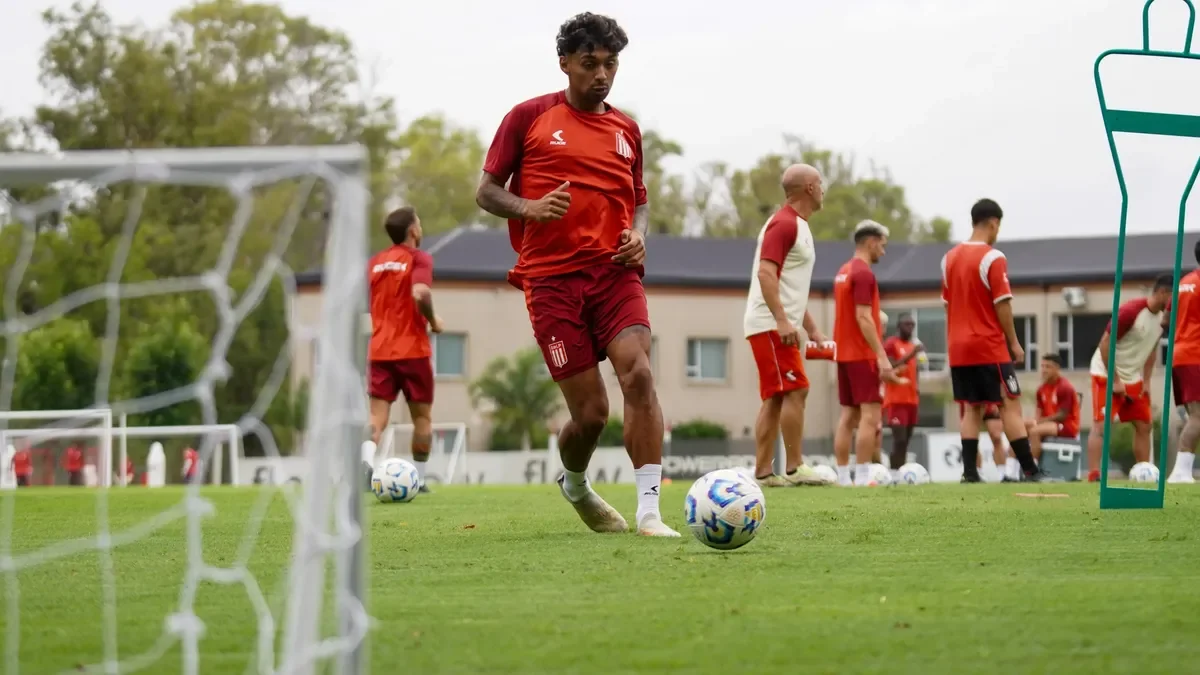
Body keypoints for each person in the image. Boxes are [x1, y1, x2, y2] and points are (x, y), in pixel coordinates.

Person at [476, 13, 676, 536]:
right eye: (590, 64)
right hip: (552, 283)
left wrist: (639, 234)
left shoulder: (627, 129)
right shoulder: (528, 117)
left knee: (640, 374)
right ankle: (576, 482)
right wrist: (530, 208)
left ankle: (650, 512)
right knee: (591, 415)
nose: (602, 74)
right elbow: (487, 191)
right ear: (565, 63)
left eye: (611, 64)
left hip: (615, 274)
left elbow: (640, 203)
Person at [943, 199, 1052, 483]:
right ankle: (1030, 470)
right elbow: (1003, 305)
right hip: (988, 346)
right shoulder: (993, 258)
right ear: (993, 223)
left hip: (958, 348)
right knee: (1009, 405)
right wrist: (1014, 343)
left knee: (972, 407)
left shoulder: (949, 259)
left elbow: (947, 305)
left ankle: (969, 472)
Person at [743, 164, 833, 488]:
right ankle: (795, 468)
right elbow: (766, 275)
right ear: (809, 188)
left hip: (775, 323)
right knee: (797, 388)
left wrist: (812, 328)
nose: (823, 189)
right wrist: (782, 320)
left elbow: (791, 286)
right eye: (820, 183)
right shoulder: (783, 224)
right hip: (769, 324)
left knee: (776, 396)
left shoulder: (799, 226)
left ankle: (764, 473)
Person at [362, 207, 443, 494]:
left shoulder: (375, 262)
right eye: (419, 223)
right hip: (413, 349)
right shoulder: (418, 258)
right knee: (421, 418)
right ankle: (419, 479)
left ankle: (365, 462)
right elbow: (421, 292)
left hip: (380, 349)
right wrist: (433, 321)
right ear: (413, 230)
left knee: (376, 417)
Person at [833, 220, 901, 487]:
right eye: (882, 246)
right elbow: (863, 317)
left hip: (844, 355)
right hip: (862, 355)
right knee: (869, 417)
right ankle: (862, 477)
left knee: (848, 416)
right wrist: (881, 356)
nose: (883, 252)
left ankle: (841, 477)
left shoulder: (843, 271)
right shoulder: (863, 273)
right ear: (871, 241)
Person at [1086, 274, 1172, 481]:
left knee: (1144, 425)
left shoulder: (1163, 319)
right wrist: (1115, 380)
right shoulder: (1131, 311)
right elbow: (1105, 344)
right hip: (1105, 372)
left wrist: (1147, 381)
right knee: (1102, 425)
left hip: (1133, 377)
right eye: (1173, 298)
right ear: (1162, 293)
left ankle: (1145, 473)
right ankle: (1094, 475)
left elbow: (1151, 350)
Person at [1168, 242, 1200, 483]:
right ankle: (1180, 471)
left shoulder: (1183, 283)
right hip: (1195, 355)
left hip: (1180, 353)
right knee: (1198, 416)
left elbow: (1165, 321)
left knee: (1195, 415)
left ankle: (1182, 469)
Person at [1022, 354, 1080, 478]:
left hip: (1067, 426)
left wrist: (1039, 422)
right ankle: (1011, 469)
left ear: (1057, 368)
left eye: (1048, 367)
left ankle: (1032, 472)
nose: (1043, 370)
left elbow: (1063, 415)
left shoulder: (1065, 387)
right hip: (1049, 424)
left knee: (1034, 432)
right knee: (1020, 429)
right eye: (1042, 366)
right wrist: (1035, 421)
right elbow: (1038, 412)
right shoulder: (1041, 389)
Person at [883, 313, 923, 475]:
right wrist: (911, 354)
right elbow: (889, 365)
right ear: (899, 326)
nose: (910, 328)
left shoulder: (911, 345)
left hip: (911, 400)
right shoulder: (892, 343)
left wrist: (917, 386)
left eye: (912, 325)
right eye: (907, 324)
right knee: (898, 440)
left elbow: (915, 369)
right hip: (896, 399)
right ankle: (894, 472)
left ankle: (900, 474)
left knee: (906, 441)